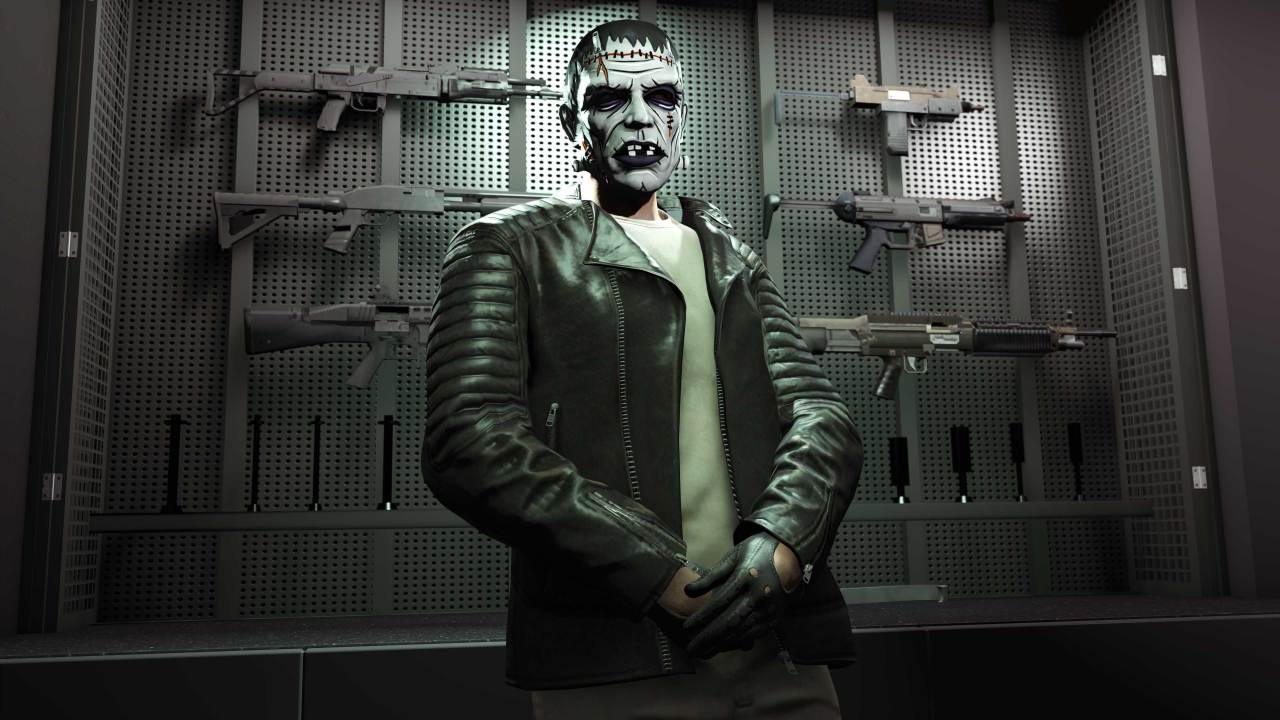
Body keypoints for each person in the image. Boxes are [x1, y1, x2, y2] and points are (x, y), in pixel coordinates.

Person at [421, 19, 862, 719]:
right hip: (613, 657)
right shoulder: (506, 247)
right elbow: (469, 441)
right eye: (609, 99)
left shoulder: (728, 254)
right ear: (571, 121)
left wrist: (781, 548)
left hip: (778, 645)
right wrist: (659, 577)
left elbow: (820, 419)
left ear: (681, 115)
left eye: (661, 97)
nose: (638, 118)